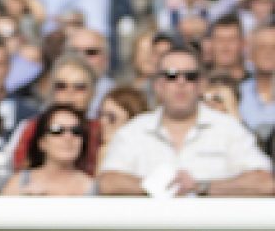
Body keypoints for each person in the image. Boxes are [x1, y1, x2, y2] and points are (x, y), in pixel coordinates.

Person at [99, 40, 275, 198]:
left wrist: (202, 187)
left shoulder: (228, 129)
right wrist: (158, 186)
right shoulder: (134, 131)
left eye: (190, 76)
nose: (181, 82)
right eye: (172, 76)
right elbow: (108, 182)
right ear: (158, 86)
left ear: (201, 85)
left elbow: (264, 183)